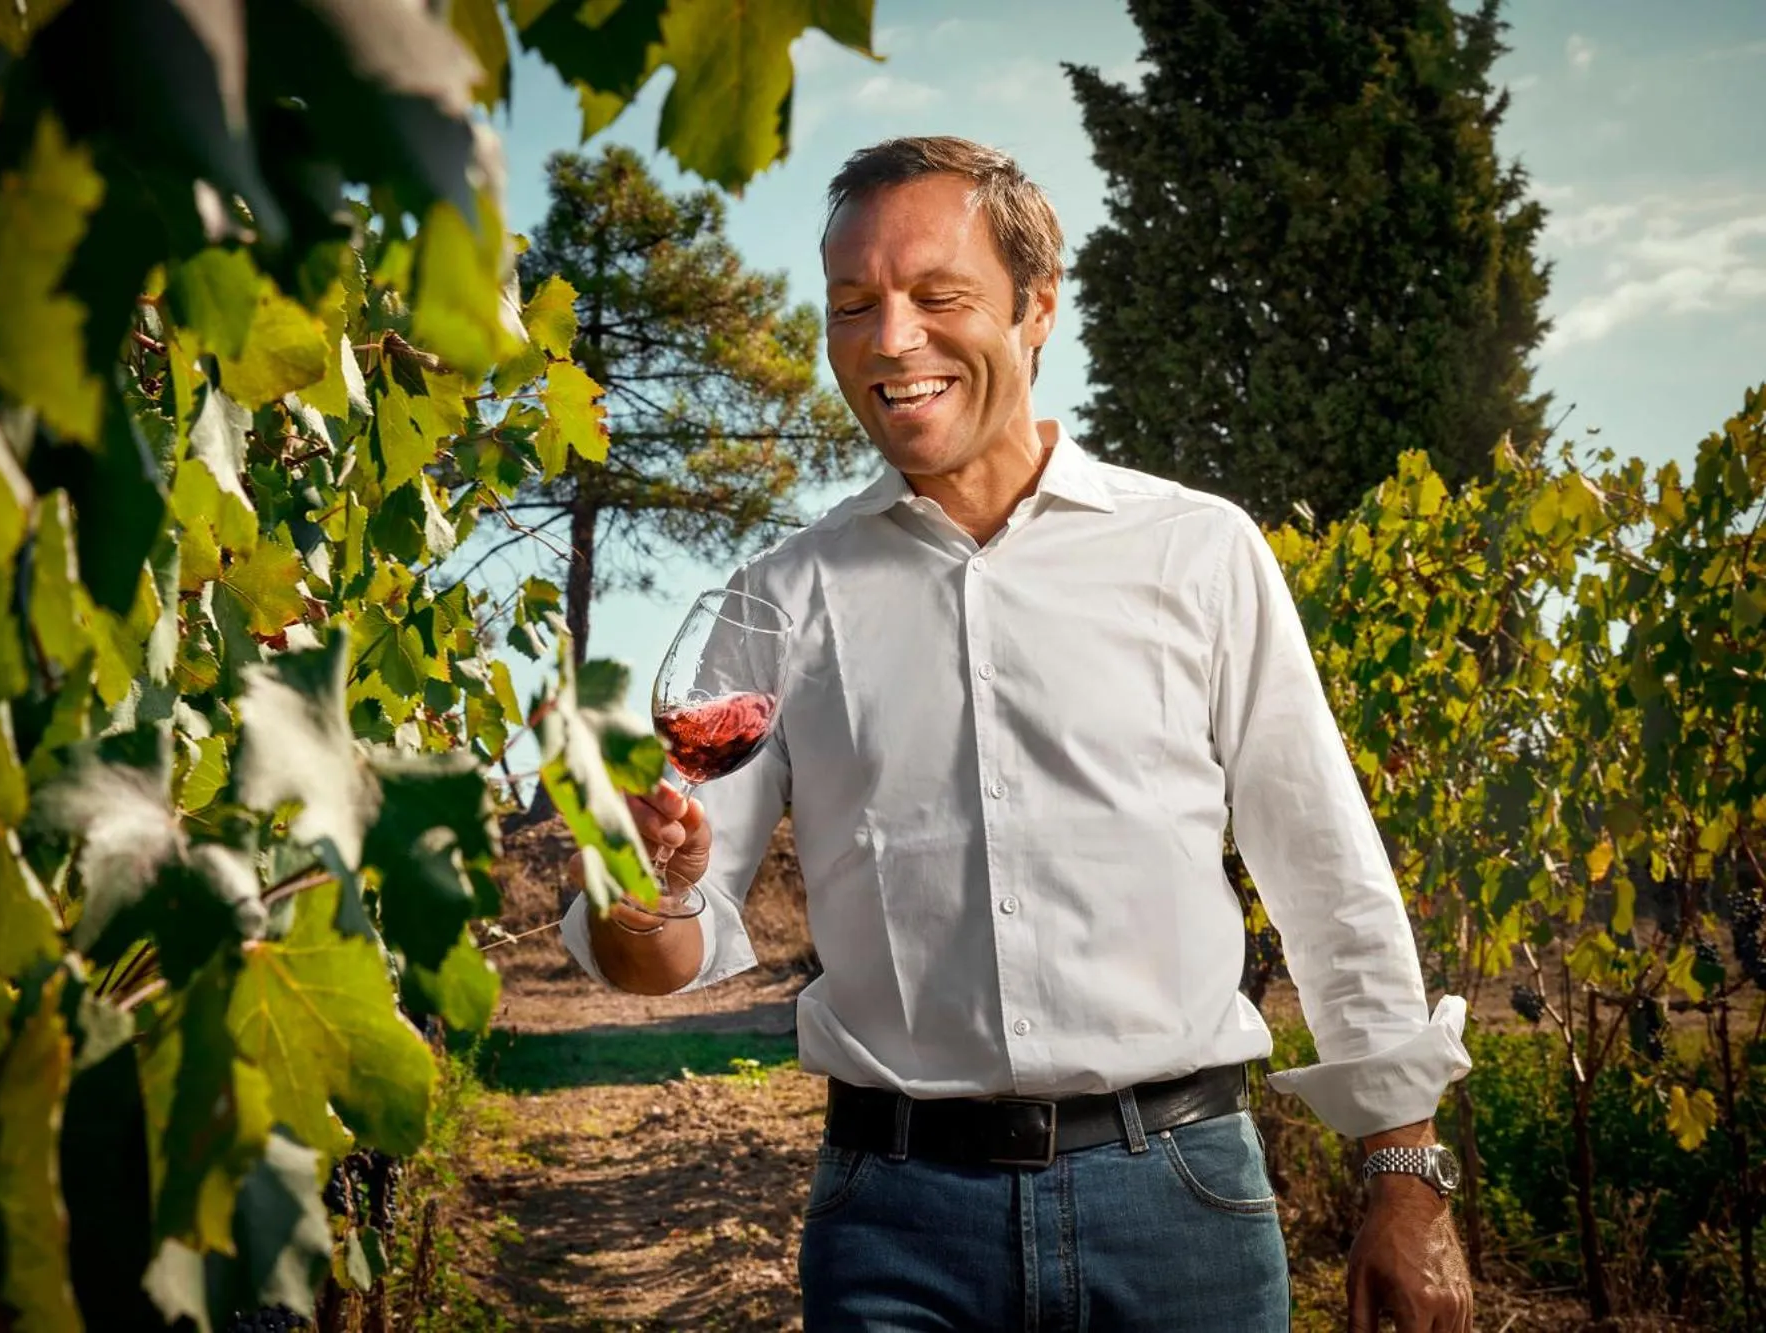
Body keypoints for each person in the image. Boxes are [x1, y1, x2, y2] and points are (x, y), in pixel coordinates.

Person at [558, 135, 1474, 1333]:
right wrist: (645, 893)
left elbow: (1327, 873)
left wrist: (1404, 1175)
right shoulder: (776, 601)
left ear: (1038, 307)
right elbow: (665, 948)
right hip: (894, 1225)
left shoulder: (1195, 551)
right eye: (853, 305)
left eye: (938, 297)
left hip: (1183, 1205)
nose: (890, 340)